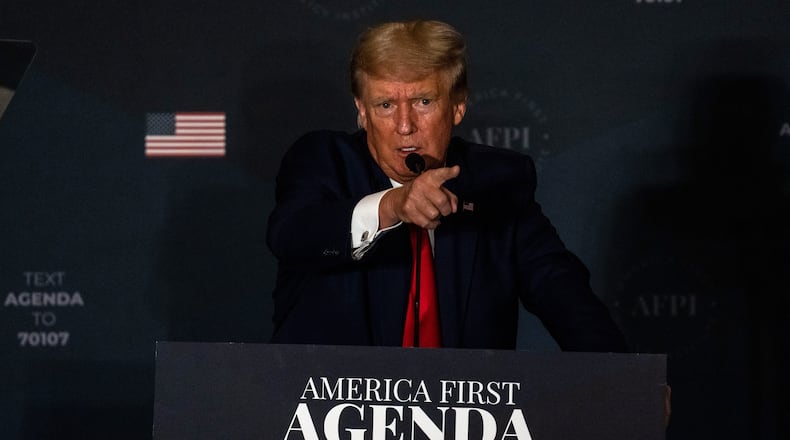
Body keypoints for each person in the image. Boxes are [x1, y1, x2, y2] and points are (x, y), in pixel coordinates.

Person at [266, 19, 626, 352]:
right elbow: (293, 236)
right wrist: (393, 205)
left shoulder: (496, 181)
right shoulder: (323, 160)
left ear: (457, 106)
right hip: (330, 411)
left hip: (464, 413)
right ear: (361, 110)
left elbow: (561, 291)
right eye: (386, 104)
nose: (405, 125)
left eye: (423, 102)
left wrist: (626, 376)